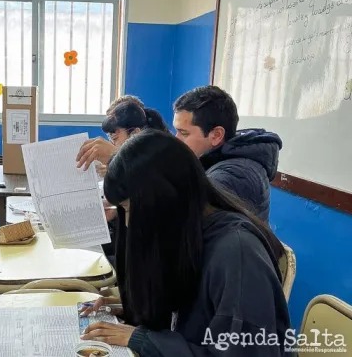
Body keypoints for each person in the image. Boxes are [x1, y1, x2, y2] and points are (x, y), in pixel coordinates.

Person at [80, 130, 293, 356]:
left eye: (131, 209)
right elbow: (184, 314)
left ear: (166, 198)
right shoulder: (186, 234)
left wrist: (143, 339)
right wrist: (126, 309)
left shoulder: (237, 255)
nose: (129, 222)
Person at [173, 86, 282, 223]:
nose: (176, 139)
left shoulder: (233, 176)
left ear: (217, 135)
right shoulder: (215, 159)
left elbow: (182, 222)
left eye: (184, 133)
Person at [79, 100, 169, 264]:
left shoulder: (159, 157)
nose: (112, 142)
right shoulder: (142, 159)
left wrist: (117, 160)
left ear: (135, 132)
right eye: (110, 137)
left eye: (115, 136)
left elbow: (154, 197)